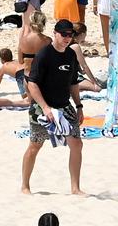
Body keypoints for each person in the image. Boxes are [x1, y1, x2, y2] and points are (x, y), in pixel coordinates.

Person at [21, 19, 84, 196]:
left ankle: (75, 188)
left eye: (70, 35)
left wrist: (79, 106)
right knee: (35, 146)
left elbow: (73, 83)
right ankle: (25, 186)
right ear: (55, 34)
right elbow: (32, 84)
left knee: (77, 144)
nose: (67, 38)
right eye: (63, 34)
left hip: (64, 106)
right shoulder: (44, 54)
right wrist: (45, 108)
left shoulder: (71, 55)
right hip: (42, 108)